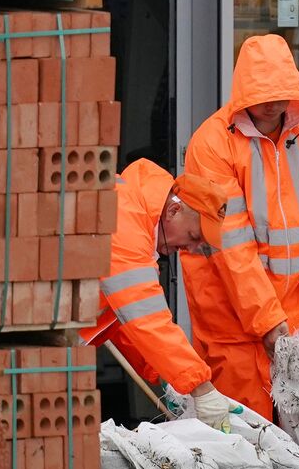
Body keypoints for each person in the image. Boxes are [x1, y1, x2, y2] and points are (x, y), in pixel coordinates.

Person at [180, 33, 299, 419]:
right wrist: (268, 321)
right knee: (247, 428)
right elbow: (231, 248)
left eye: (282, 93)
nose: (273, 104)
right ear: (244, 95)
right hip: (230, 310)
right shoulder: (212, 144)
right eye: (263, 96)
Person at [81, 158, 240, 430]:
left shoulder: (133, 214)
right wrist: (199, 385)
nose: (190, 248)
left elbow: (122, 321)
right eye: (192, 235)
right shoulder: (124, 219)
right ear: (173, 211)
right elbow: (146, 317)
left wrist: (165, 377)